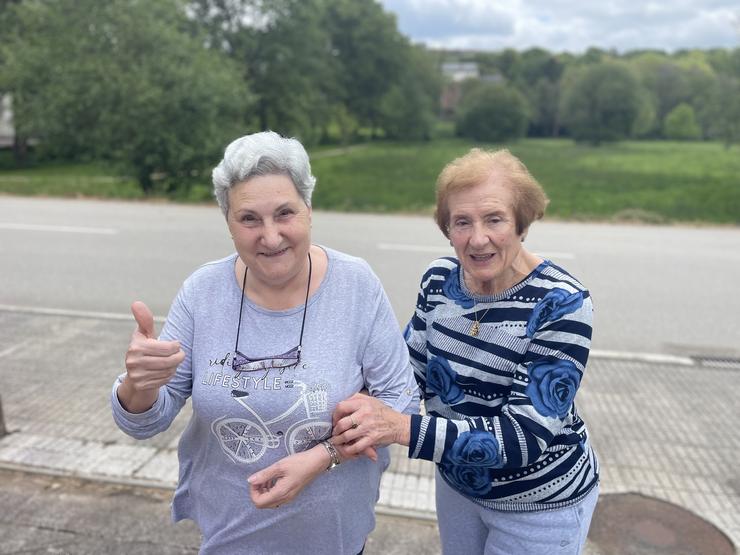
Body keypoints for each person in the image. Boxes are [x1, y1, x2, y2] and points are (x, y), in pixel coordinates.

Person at [111, 131, 419, 555]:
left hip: (333, 539)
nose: (271, 237)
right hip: (228, 537)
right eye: (249, 219)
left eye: (285, 213)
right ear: (228, 223)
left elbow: (401, 403)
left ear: (309, 211)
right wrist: (139, 384)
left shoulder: (356, 285)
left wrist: (323, 456)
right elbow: (144, 422)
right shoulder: (203, 292)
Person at [333, 148, 599, 554]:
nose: (478, 239)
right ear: (447, 229)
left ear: (521, 222)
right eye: (462, 222)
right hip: (459, 487)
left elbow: (523, 437)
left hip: (537, 505)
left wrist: (401, 428)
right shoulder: (439, 279)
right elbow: (410, 371)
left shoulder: (562, 303)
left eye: (494, 219)